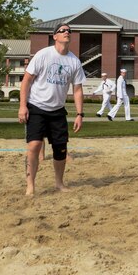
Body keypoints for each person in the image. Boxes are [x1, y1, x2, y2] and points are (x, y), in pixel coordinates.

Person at [18, 23, 85, 195]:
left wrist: (79, 114)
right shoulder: (43, 55)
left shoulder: (74, 61)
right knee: (34, 145)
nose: (67, 32)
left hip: (57, 111)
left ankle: (59, 184)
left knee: (60, 149)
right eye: (62, 31)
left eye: (69, 30)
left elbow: (77, 89)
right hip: (37, 107)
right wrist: (22, 106)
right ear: (55, 36)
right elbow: (26, 81)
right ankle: (30, 185)